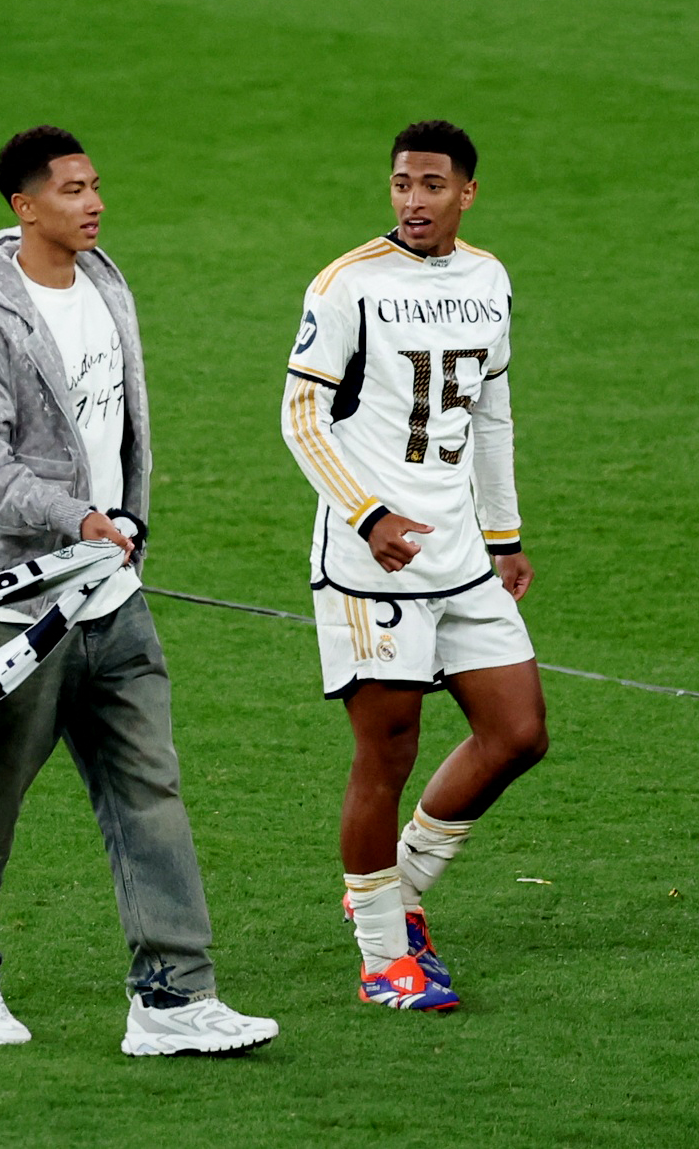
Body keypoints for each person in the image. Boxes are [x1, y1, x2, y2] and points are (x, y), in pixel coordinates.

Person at [0, 125, 277, 1055]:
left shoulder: (106, 289)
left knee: (149, 790)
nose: (94, 202)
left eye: (96, 185)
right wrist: (77, 515)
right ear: (23, 207)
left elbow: (117, 437)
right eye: (73, 190)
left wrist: (117, 529)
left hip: (113, 598)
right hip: (15, 605)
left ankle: (170, 996)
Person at [280, 120, 548, 1010]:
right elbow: (301, 419)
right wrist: (368, 516)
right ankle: (382, 959)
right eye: (401, 184)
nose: (413, 201)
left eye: (431, 185)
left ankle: (394, 894)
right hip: (372, 565)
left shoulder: (488, 278)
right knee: (384, 758)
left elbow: (493, 410)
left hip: (464, 557)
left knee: (517, 734)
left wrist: (503, 536)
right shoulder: (348, 284)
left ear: (465, 193)